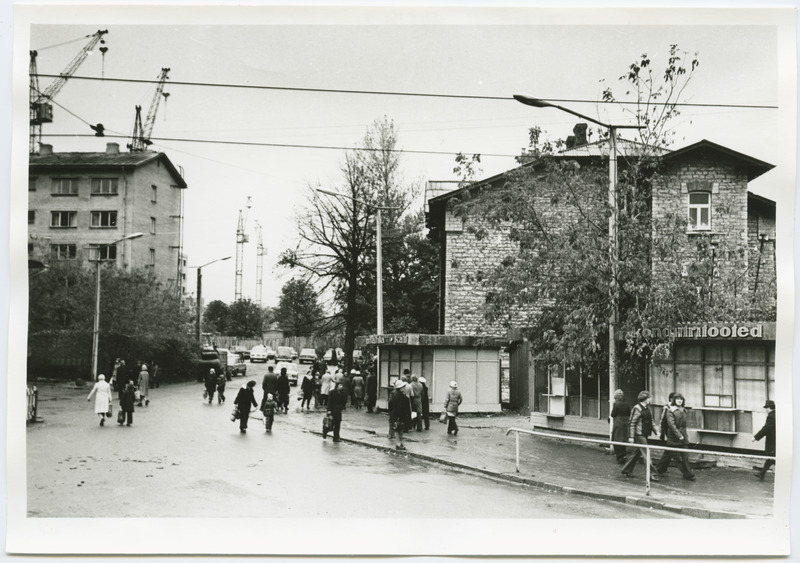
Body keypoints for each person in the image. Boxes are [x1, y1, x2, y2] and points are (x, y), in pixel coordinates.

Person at [621, 390, 660, 481]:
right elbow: (632, 423)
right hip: (639, 435)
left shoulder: (647, 409)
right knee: (647, 453)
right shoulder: (637, 408)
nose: (650, 399)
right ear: (645, 399)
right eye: (649, 398)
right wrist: (631, 436)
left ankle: (627, 469)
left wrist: (656, 431)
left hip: (644, 433)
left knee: (637, 452)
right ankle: (652, 474)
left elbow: (651, 421)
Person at [656, 393, 696, 481]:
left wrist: (683, 435)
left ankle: (659, 470)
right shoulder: (670, 410)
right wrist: (679, 435)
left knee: (683, 456)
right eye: (677, 399)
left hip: (683, 437)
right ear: (674, 400)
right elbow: (671, 425)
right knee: (676, 457)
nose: (679, 401)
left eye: (681, 399)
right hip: (673, 437)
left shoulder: (683, 410)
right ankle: (687, 474)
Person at [753, 400, 776, 480]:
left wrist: (756, 437)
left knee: (772, 458)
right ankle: (761, 473)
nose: (766, 410)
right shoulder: (777, 415)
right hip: (776, 441)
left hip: (773, 441)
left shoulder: (772, 416)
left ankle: (761, 473)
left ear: (770, 408)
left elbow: (766, 429)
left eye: (766, 408)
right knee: (771, 458)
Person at [388, 379, 413, 450]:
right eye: (404, 387)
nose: (405, 388)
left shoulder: (393, 395)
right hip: (402, 416)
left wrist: (391, 413)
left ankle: (398, 443)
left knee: (396, 429)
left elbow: (390, 405)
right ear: (401, 388)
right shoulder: (404, 397)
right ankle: (399, 443)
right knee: (401, 429)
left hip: (394, 415)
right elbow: (407, 409)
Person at [610, 389, 631, 463]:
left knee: (616, 439)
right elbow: (629, 413)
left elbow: (613, 414)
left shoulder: (616, 404)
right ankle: (624, 454)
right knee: (623, 439)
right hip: (625, 423)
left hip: (618, 423)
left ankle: (619, 456)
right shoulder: (627, 404)